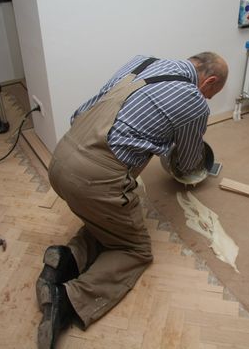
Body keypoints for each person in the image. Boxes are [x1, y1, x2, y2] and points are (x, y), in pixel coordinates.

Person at [36, 52, 228, 348]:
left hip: (61, 159)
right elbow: (189, 164)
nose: (209, 99)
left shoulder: (142, 62)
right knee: (134, 249)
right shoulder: (194, 102)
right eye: (212, 94)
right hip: (93, 180)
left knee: (108, 218)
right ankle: (70, 300)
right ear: (210, 81)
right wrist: (177, 151)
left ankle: (65, 259)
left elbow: (81, 112)